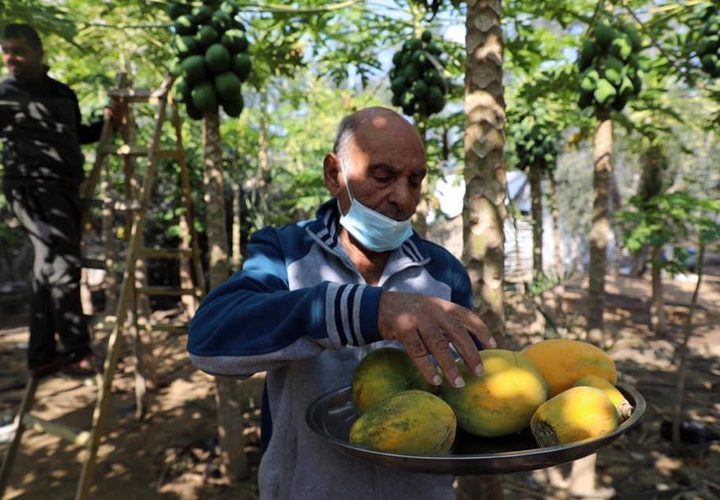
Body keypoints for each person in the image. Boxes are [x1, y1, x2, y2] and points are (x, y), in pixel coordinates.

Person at [187, 106, 495, 499]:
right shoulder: (284, 253)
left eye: (415, 181)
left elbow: (469, 394)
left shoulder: (444, 273)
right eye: (382, 176)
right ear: (335, 175)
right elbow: (208, 341)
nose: (402, 198)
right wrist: (364, 310)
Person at [0, 24, 121, 377]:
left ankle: (41, 355)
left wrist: (107, 124)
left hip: (65, 189)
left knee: (46, 267)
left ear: (39, 52)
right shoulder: (5, 95)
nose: (11, 59)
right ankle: (75, 350)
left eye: (18, 51)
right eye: (6, 51)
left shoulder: (64, 94)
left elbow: (77, 135)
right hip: (29, 189)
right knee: (63, 265)